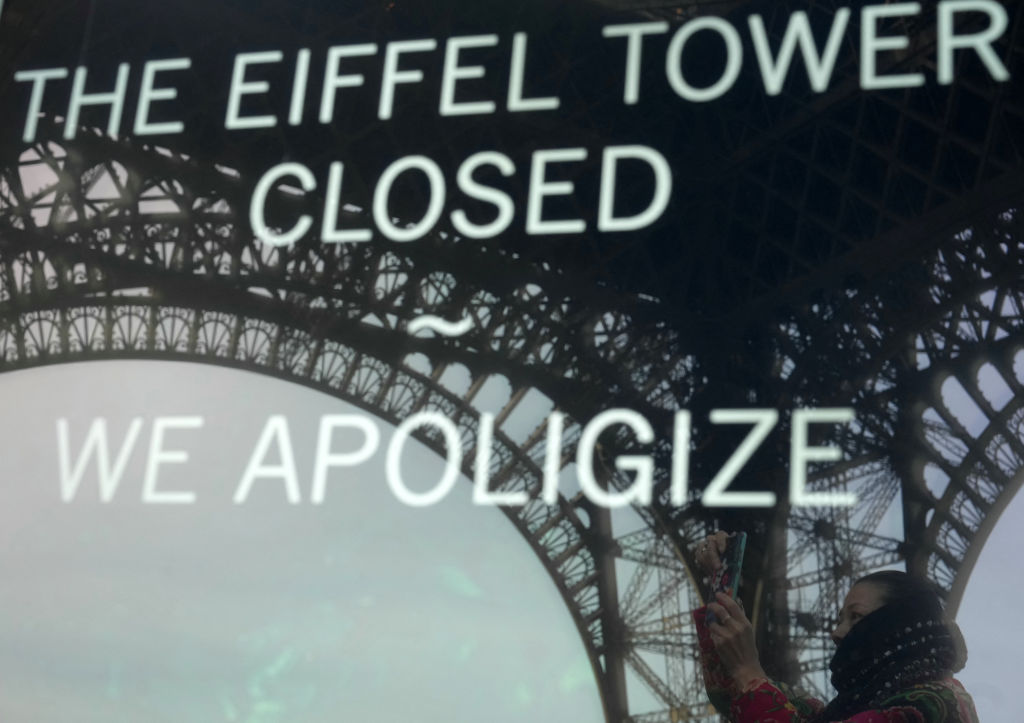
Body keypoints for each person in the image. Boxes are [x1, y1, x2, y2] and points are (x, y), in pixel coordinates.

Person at [692, 531, 979, 722]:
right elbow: (731, 693)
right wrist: (722, 587)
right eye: (840, 618)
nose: (836, 633)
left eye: (855, 617)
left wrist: (748, 673)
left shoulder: (937, 704)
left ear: (899, 623)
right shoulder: (848, 708)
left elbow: (748, 687)